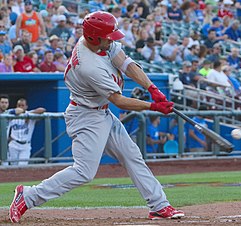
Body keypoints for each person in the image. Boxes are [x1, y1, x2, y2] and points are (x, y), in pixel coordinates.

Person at [9, 11, 184, 223]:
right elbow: (119, 101)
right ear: (94, 37)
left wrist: (152, 87)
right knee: (84, 171)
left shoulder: (100, 44)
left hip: (101, 113)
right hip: (86, 116)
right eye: (107, 37)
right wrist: (153, 106)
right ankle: (28, 196)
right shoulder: (89, 65)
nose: (111, 40)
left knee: (132, 156)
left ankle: (159, 205)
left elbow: (127, 64)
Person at [7, 98, 46, 166]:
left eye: (22, 105)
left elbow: (42, 110)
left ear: (26, 106)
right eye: (19, 105)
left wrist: (27, 114)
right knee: (13, 166)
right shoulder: (12, 115)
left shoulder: (30, 114)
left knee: (23, 166)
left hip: (26, 145)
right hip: (14, 144)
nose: (21, 107)